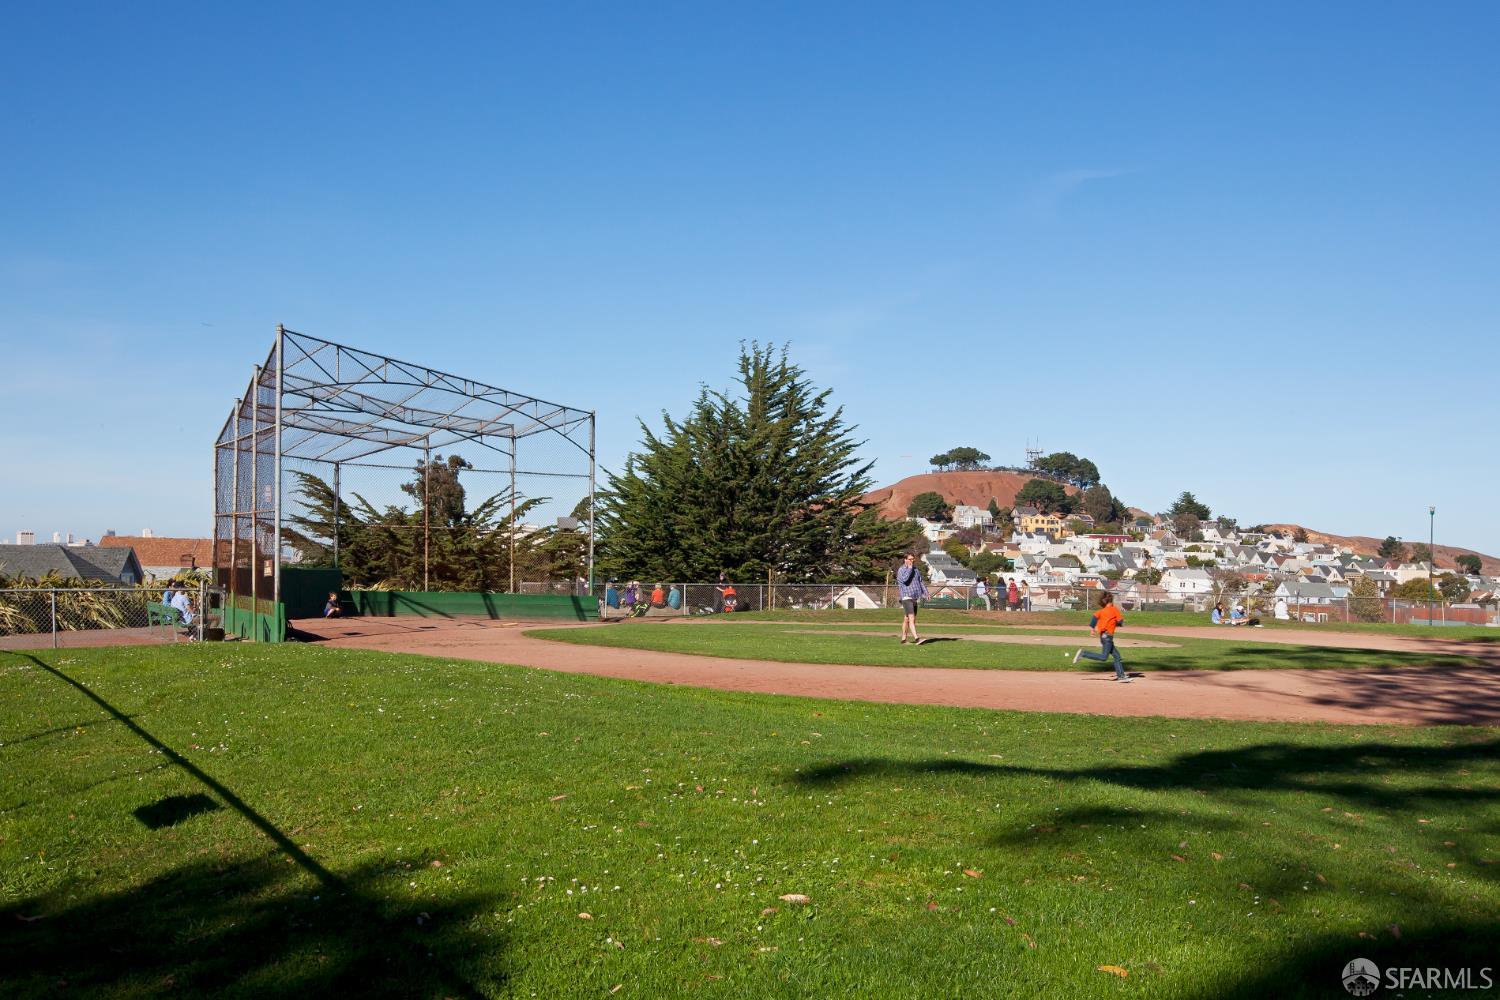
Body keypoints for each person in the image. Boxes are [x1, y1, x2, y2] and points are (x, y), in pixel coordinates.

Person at [1073, 593, 1129, 682]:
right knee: (1103, 657)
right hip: (1108, 637)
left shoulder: (1101, 611)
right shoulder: (1114, 610)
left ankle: (1121, 676)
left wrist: (1092, 629)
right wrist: (1116, 623)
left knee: (1117, 656)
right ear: (1111, 601)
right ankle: (1083, 653)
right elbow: (1120, 622)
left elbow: (1094, 619)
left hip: (1104, 637)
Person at [896, 553, 929, 644]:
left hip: (914, 597)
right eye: (910, 559)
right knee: (912, 618)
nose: (912, 561)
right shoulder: (901, 570)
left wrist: (926, 593)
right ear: (905, 560)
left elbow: (920, 582)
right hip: (906, 596)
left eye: (913, 559)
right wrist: (910, 568)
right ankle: (917, 639)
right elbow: (905, 580)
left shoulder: (916, 570)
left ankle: (903, 639)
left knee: (907, 619)